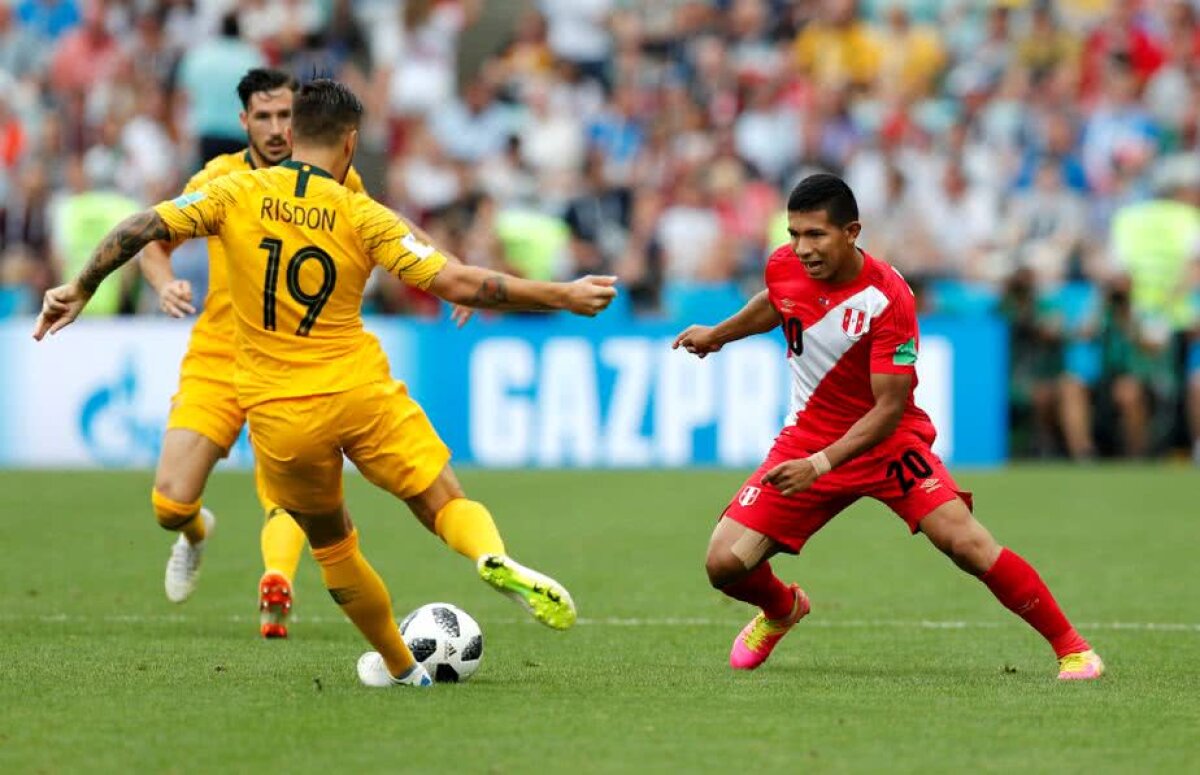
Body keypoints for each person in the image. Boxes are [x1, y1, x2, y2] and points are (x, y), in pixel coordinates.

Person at [34, 79, 618, 688]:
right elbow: (462, 284)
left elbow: (139, 228)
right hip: (359, 388)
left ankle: (401, 666)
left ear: (292, 132)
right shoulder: (358, 210)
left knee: (333, 545)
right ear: (351, 143)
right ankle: (485, 553)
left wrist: (81, 286)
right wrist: (564, 295)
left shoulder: (233, 191)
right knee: (442, 497)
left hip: (281, 409)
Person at [672, 174, 1103, 681]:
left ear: (851, 232)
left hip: (885, 443)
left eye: (817, 235)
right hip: (808, 438)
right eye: (795, 234)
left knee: (966, 544)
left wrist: (821, 464)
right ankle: (783, 609)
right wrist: (720, 335)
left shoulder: (887, 297)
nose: (803, 248)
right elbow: (776, 300)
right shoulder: (784, 266)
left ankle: (1074, 649)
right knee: (725, 564)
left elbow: (888, 409)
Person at [139, 68, 371, 639]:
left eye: (285, 116)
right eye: (263, 117)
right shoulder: (220, 178)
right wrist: (164, 280)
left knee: (286, 490)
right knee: (170, 502)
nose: (275, 128)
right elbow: (153, 241)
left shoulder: (340, 181)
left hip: (294, 359)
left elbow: (384, 234)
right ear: (243, 122)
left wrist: (447, 280)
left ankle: (276, 582)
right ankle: (195, 532)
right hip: (220, 354)